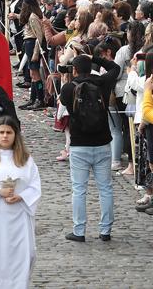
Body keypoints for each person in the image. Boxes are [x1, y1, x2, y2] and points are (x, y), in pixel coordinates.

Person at [0, 115, 41, 289]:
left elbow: (35, 186)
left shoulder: (26, 160)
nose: (5, 136)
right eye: (1, 132)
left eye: (8, 132)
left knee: (20, 258)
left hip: (18, 218)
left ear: (15, 135)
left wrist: (21, 196)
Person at [59, 53, 120, 242]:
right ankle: (105, 230)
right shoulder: (102, 83)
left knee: (79, 189)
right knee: (105, 188)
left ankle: (79, 230)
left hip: (79, 144)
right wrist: (96, 57)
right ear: (91, 67)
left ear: (74, 70)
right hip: (102, 142)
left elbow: (63, 104)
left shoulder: (69, 88)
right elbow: (115, 68)